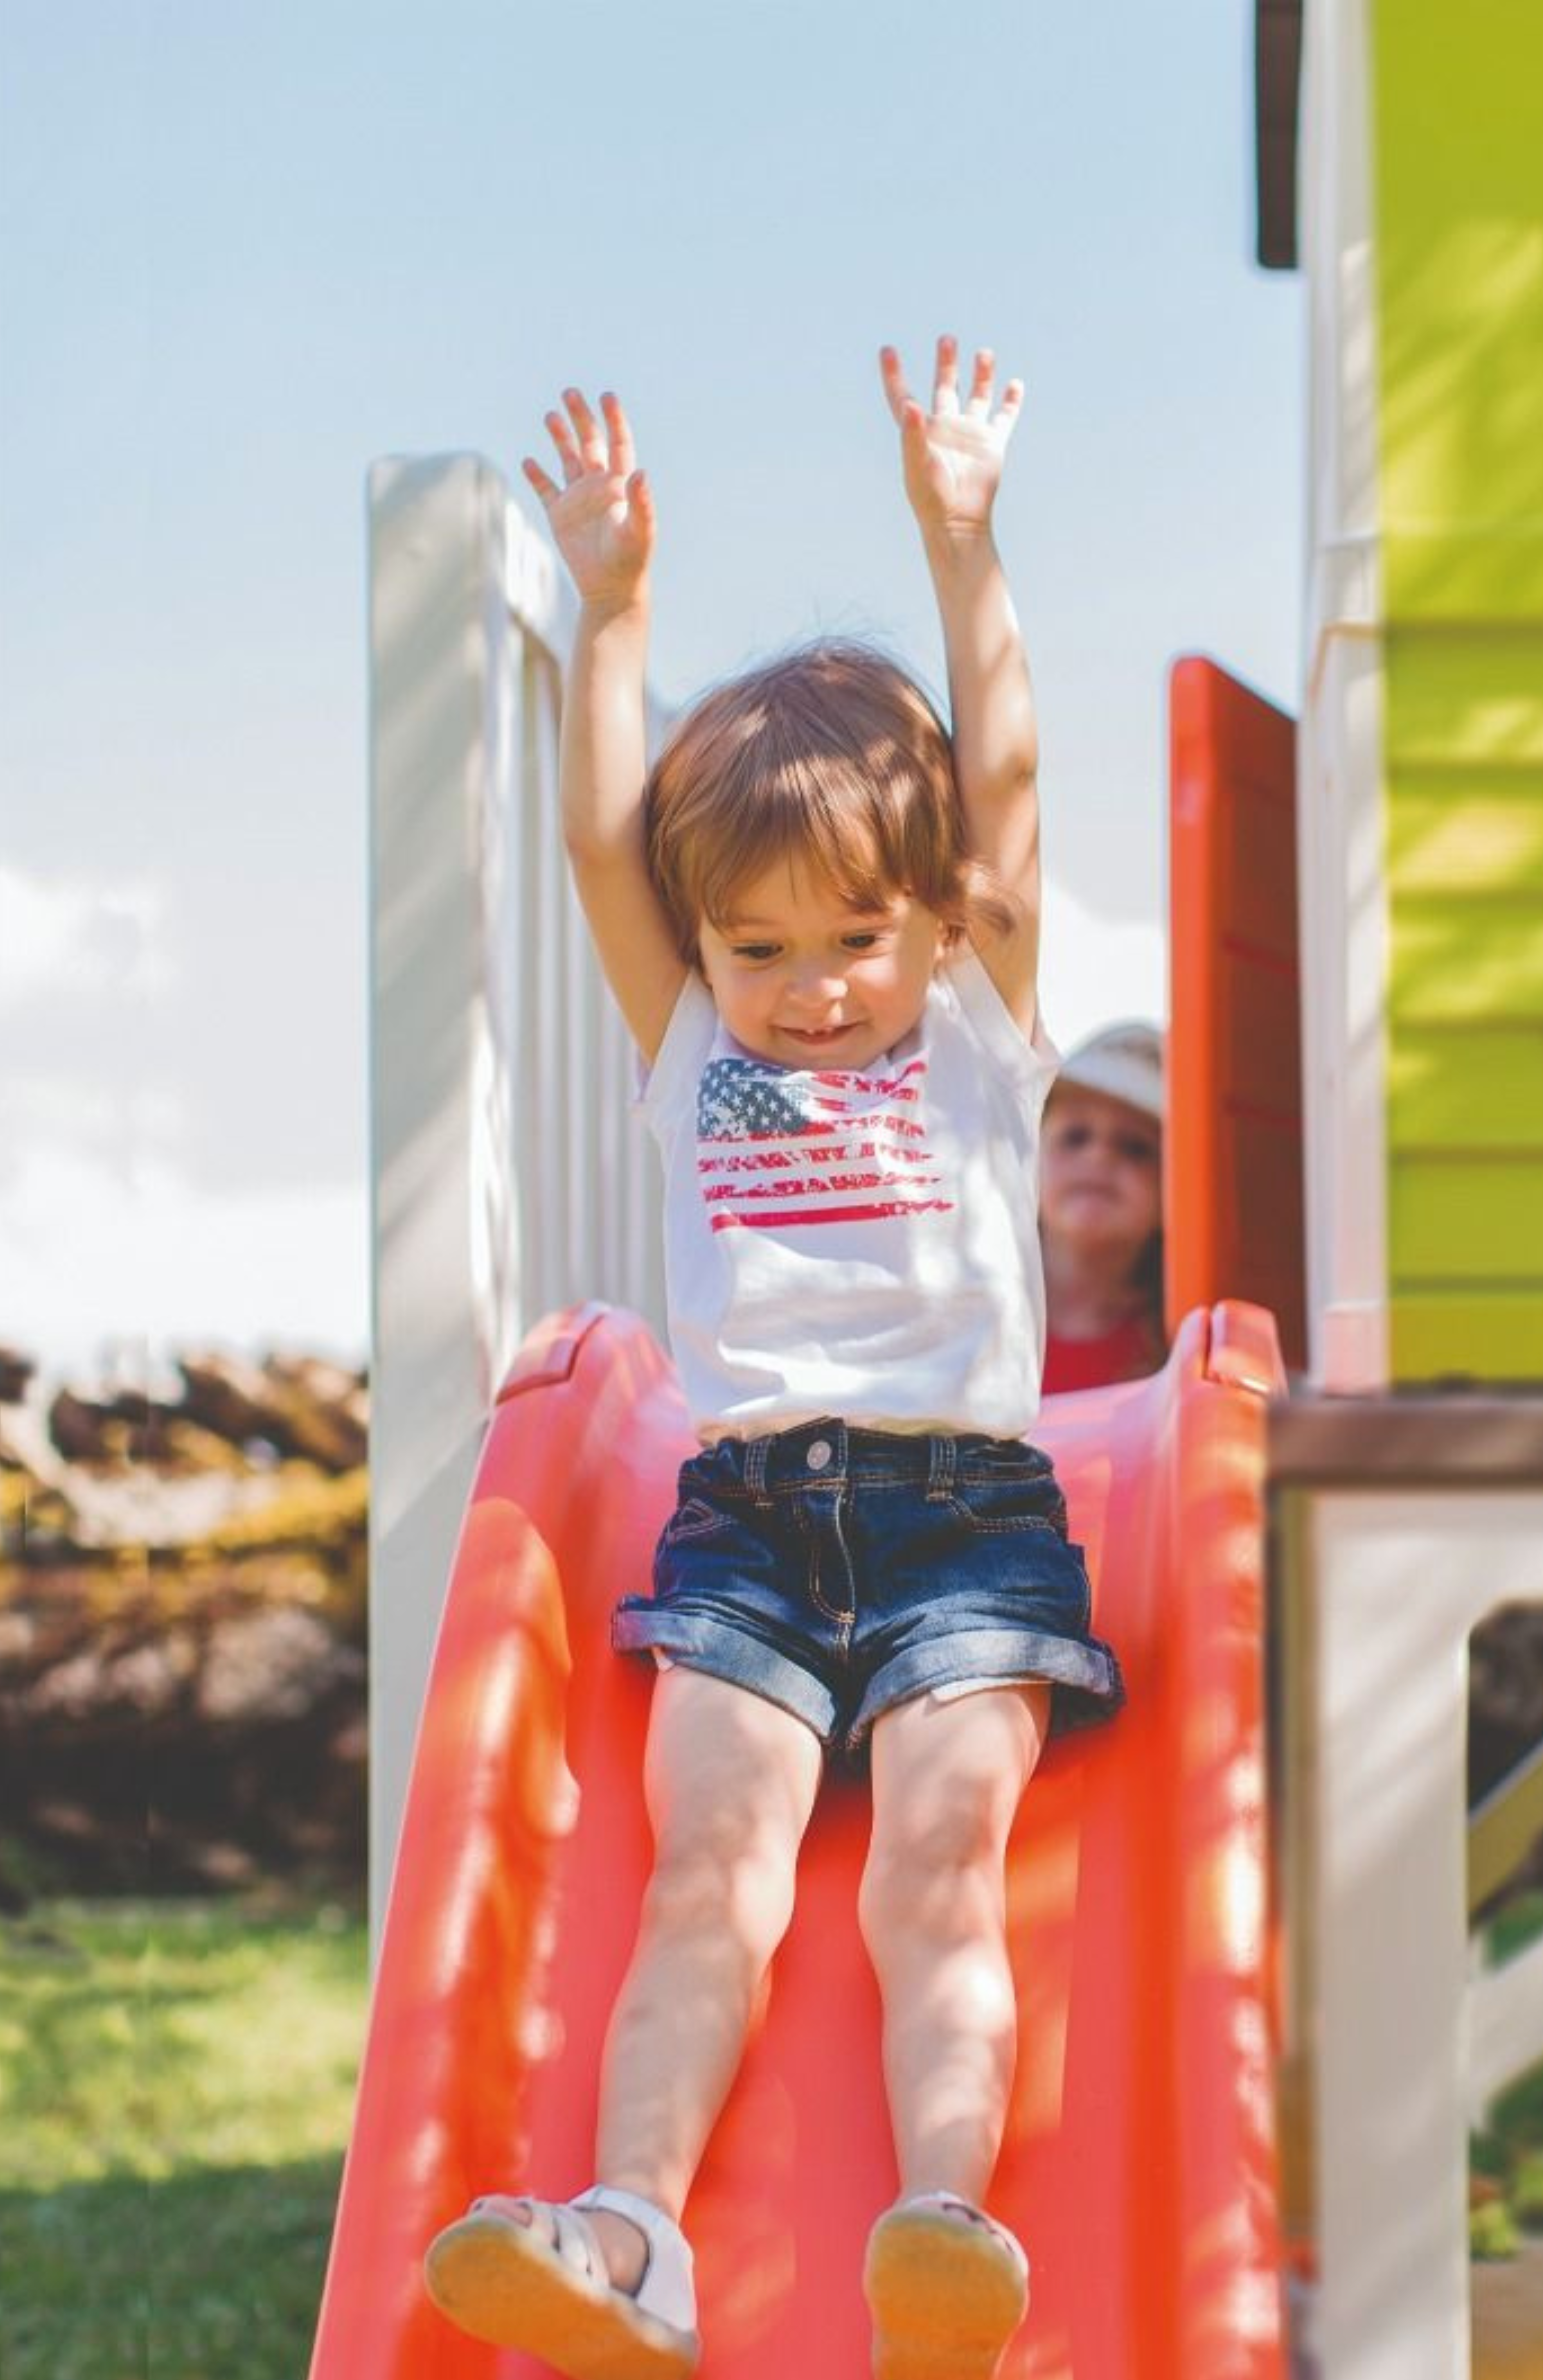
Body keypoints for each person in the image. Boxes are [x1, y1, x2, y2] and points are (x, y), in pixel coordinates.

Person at [422, 337, 1123, 2380]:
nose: (809, 988)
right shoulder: (690, 1052)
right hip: (738, 1516)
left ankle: (942, 2223)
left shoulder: (978, 1033)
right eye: (758, 946)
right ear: (704, 946)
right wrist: (612, 615)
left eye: (851, 938)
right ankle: (631, 2229)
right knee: (706, 1871)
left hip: (967, 1519)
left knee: (932, 1863)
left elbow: (1000, 775)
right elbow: (591, 850)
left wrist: (959, 542)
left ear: (934, 922)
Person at [1039, 1022, 1167, 1393]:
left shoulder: (1184, 1351)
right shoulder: (966, 1317)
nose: (1099, 1156)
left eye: (1135, 1148)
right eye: (1075, 1137)